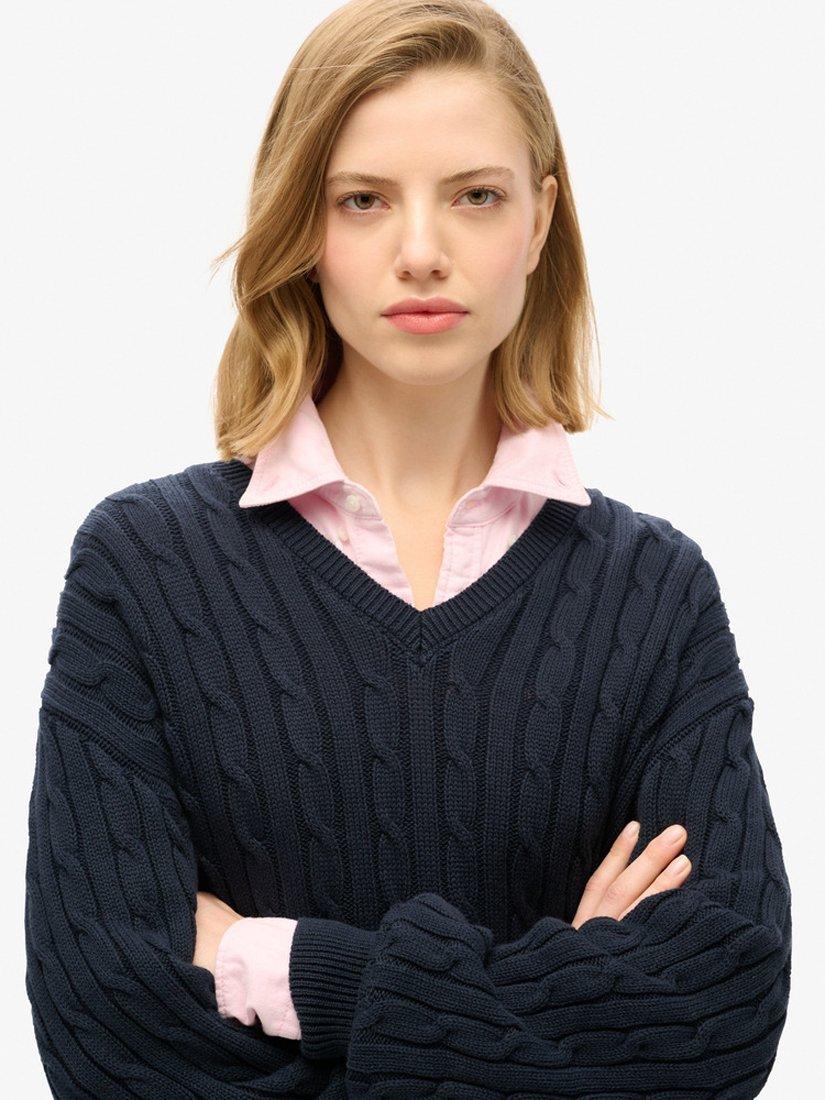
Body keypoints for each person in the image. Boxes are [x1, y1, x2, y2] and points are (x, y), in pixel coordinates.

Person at [24, 1, 792, 1096]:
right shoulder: (143, 571)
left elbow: (716, 1025)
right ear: (303, 225)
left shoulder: (655, 595)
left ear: (539, 220)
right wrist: (562, 995)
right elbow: (109, 1047)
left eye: (475, 196)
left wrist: (296, 971)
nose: (422, 252)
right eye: (363, 200)